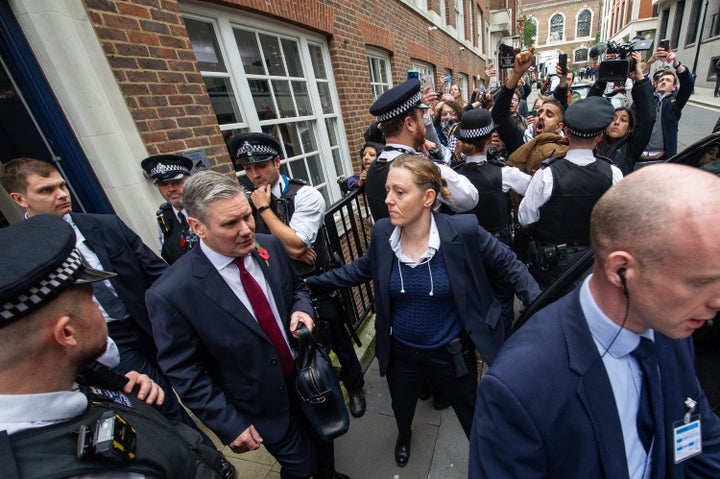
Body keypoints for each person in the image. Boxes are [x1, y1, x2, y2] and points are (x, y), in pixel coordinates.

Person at [469, 164, 720, 479]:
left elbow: (701, 442)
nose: (716, 302)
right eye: (699, 283)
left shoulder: (674, 328)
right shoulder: (521, 387)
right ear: (621, 271)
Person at [306, 155, 540, 468]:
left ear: (428, 197)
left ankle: (488, 461)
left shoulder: (464, 231)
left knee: (472, 414)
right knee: (401, 405)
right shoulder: (382, 235)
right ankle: (404, 435)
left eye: (399, 192)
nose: (388, 199)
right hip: (402, 352)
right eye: (388, 190)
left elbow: (511, 266)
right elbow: (357, 271)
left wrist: (542, 308)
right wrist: (308, 284)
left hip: (452, 352)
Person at [145, 170, 349, 479]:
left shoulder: (270, 246)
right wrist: (228, 423)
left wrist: (302, 309)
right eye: (230, 224)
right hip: (259, 403)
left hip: (305, 378)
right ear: (197, 226)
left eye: (247, 217)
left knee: (325, 441)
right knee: (301, 466)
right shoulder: (172, 293)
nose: (246, 230)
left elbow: (297, 288)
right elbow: (184, 371)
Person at [0, 214, 233, 478]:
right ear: (67, 332)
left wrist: (115, 392)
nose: (100, 307)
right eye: (91, 301)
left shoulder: (75, 382)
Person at [0, 158, 200, 434]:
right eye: (46, 190)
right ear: (19, 198)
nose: (61, 194)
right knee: (160, 402)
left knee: (194, 382)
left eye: (62, 186)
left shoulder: (105, 225)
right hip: (109, 340)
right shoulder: (21, 255)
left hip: (152, 322)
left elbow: (159, 273)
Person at [229, 132, 366, 418]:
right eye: (248, 168)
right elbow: (244, 244)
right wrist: (286, 248)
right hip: (277, 287)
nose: (254, 174)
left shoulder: (304, 194)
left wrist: (264, 210)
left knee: (337, 339)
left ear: (277, 162)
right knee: (297, 349)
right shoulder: (243, 201)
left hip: (314, 285)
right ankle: (316, 396)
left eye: (261, 166)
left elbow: (297, 245)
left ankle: (355, 387)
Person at [518, 97, 623, 288]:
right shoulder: (613, 174)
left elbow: (526, 218)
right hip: (595, 261)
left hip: (553, 266)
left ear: (566, 133)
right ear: (599, 137)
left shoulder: (547, 174)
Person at [454, 109, 532, 335]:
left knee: (472, 298)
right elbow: (534, 189)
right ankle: (501, 342)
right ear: (489, 139)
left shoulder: (453, 176)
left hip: (465, 246)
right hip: (500, 245)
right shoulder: (504, 173)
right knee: (503, 298)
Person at [364, 78, 478, 221]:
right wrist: (435, 165)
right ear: (409, 123)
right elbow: (470, 198)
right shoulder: (424, 169)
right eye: (421, 117)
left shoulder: (375, 167)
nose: (424, 122)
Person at [590, 51, 656, 175]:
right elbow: (589, 109)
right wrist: (602, 80)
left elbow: (647, 117)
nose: (617, 123)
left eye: (624, 120)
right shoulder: (594, 141)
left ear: (629, 129)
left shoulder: (631, 147)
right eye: (613, 118)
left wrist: (640, 78)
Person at [140, 154, 198, 264]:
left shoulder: (207, 209)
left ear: (189, 182)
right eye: (164, 184)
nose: (171, 189)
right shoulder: (164, 216)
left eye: (177, 182)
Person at [641, 46, 694, 161]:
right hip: (639, 157)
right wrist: (650, 62)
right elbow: (640, 84)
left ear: (674, 87)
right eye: (661, 80)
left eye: (668, 80)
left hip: (662, 159)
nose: (664, 82)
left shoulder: (674, 102)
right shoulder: (648, 98)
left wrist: (676, 63)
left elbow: (688, 85)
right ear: (656, 85)